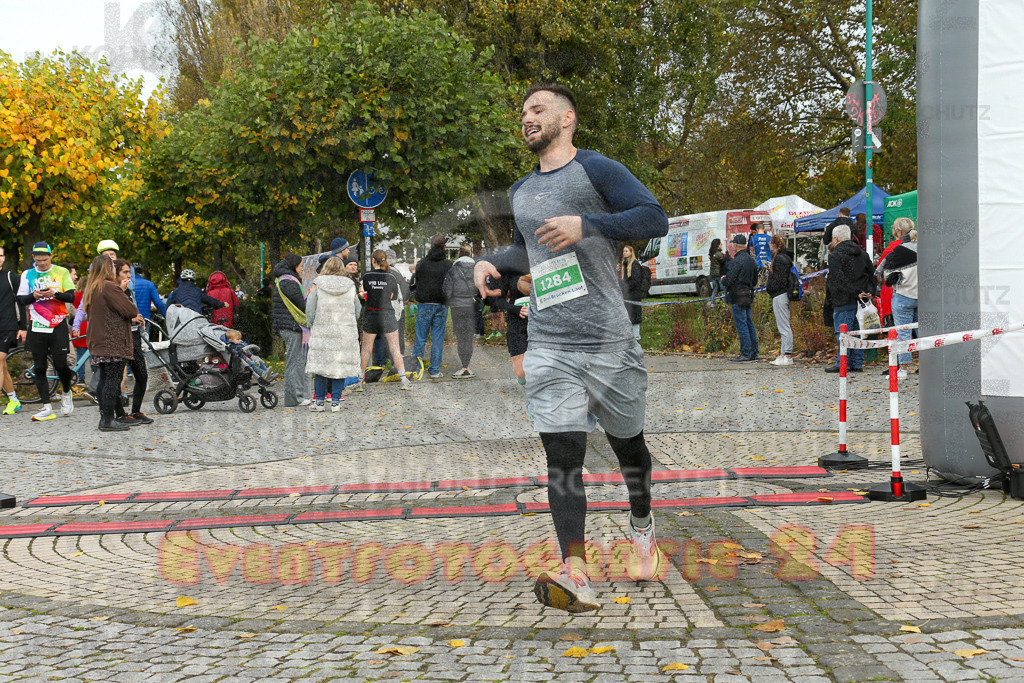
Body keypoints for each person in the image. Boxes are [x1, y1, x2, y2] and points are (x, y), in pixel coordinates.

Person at [474, 83, 669, 613]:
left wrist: (590, 225)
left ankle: (642, 524)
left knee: (630, 450)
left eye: (537, 109)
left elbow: (654, 218)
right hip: (550, 342)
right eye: (522, 112)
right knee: (564, 456)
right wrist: (492, 261)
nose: (526, 118)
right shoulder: (520, 191)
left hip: (609, 342)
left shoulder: (597, 170)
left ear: (568, 118)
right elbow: (528, 247)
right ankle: (576, 573)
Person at [16, 242, 76, 421]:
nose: (41, 263)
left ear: (51, 256)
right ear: (33, 257)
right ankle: (46, 406)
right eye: (38, 260)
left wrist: (55, 293)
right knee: (40, 366)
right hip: (37, 324)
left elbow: (71, 296)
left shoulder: (61, 272)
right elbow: (21, 300)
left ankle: (66, 392)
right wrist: (34, 296)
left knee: (60, 364)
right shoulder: (28, 274)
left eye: (45, 259)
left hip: (57, 323)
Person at [83, 256, 143, 431]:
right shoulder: (109, 287)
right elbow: (130, 310)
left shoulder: (93, 288)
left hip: (98, 340)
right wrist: (122, 291)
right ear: (107, 269)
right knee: (113, 380)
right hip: (112, 340)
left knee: (104, 379)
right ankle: (108, 419)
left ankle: (105, 417)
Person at [305, 256, 360, 411]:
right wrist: (350, 320)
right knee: (339, 366)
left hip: (323, 330)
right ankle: (336, 401)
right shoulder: (350, 285)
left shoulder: (318, 284)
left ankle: (320, 402)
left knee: (322, 366)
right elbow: (357, 309)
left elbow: (310, 306)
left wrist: (310, 322)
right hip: (344, 331)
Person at [825, 224, 878, 373]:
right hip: (862, 302)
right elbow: (872, 275)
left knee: (843, 333)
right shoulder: (862, 253)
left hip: (843, 300)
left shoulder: (835, 255)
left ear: (835, 239)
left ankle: (842, 362)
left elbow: (838, 280)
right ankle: (857, 362)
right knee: (858, 332)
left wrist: (854, 292)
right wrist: (868, 291)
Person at [358, 250, 411, 391]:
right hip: (387, 314)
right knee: (395, 348)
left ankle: (359, 382)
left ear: (373, 261)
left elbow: (363, 294)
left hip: (372, 314)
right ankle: (404, 379)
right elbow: (394, 297)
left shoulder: (367, 276)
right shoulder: (391, 276)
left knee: (366, 349)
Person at [112, 259, 153, 425]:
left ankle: (136, 410)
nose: (129, 275)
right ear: (115, 274)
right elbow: (111, 315)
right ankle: (120, 413)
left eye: (129, 272)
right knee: (115, 378)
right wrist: (130, 316)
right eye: (125, 272)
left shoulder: (128, 289)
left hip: (134, 335)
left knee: (142, 375)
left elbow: (131, 310)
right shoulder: (112, 291)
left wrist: (138, 319)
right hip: (120, 338)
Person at [271, 254, 310, 406]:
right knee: (295, 362)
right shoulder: (289, 282)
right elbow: (302, 305)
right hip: (292, 326)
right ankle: (295, 398)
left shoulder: (285, 279)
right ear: (294, 266)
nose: (302, 270)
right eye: (300, 266)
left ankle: (300, 396)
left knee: (300, 361)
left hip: (290, 325)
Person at [880, 227, 918, 380]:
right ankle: (929, 368)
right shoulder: (927, 250)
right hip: (923, 297)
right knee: (924, 333)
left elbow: (886, 274)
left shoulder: (898, 252)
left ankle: (903, 370)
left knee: (903, 334)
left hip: (903, 295)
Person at [412, 235, 452, 378]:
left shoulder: (422, 263)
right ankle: (434, 370)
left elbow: (417, 281)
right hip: (441, 304)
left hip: (424, 303)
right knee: (437, 338)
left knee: (420, 338)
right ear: (443, 247)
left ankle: (416, 369)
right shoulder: (448, 264)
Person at [444, 244, 480, 378]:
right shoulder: (476, 268)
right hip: (471, 306)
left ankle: (463, 366)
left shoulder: (454, 270)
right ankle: (467, 366)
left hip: (457, 306)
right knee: (469, 337)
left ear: (459, 253)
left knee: (460, 337)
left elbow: (446, 290)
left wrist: (450, 300)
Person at [722, 234, 759, 362]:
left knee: (742, 324)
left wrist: (723, 279)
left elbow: (729, 280)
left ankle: (746, 353)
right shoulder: (751, 260)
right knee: (749, 324)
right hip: (748, 294)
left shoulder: (737, 261)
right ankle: (754, 352)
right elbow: (755, 280)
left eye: (733, 244)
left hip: (737, 295)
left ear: (736, 245)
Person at [0, 247, 25, 414]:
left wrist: (23, 327)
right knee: (2, 366)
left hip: (7, 327)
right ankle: (13, 400)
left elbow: (21, 302)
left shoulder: (11, 277)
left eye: (0, 255)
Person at [874, 218, 909, 334]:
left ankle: (900, 352)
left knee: (899, 332)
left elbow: (880, 273)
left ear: (898, 231)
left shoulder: (890, 249)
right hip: (915, 292)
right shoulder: (918, 246)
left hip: (894, 292)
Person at [766, 235, 795, 366]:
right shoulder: (785, 258)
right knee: (783, 324)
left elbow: (779, 279)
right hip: (783, 294)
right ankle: (783, 354)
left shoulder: (779, 259)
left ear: (773, 244)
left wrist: (771, 286)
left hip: (779, 294)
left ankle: (787, 355)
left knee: (783, 326)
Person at [618, 245, 645, 340]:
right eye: (623, 251)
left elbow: (635, 280)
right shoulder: (625, 264)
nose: (624, 253)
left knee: (635, 316)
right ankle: (630, 337)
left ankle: (636, 336)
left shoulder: (635, 264)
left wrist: (626, 288)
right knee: (628, 316)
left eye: (626, 251)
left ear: (631, 252)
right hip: (627, 295)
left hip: (634, 295)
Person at [707, 238, 726, 306]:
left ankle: (713, 302)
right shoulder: (718, 254)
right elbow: (724, 260)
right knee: (723, 289)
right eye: (721, 243)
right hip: (719, 274)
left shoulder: (712, 253)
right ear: (718, 245)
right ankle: (725, 303)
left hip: (713, 275)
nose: (722, 245)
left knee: (715, 290)